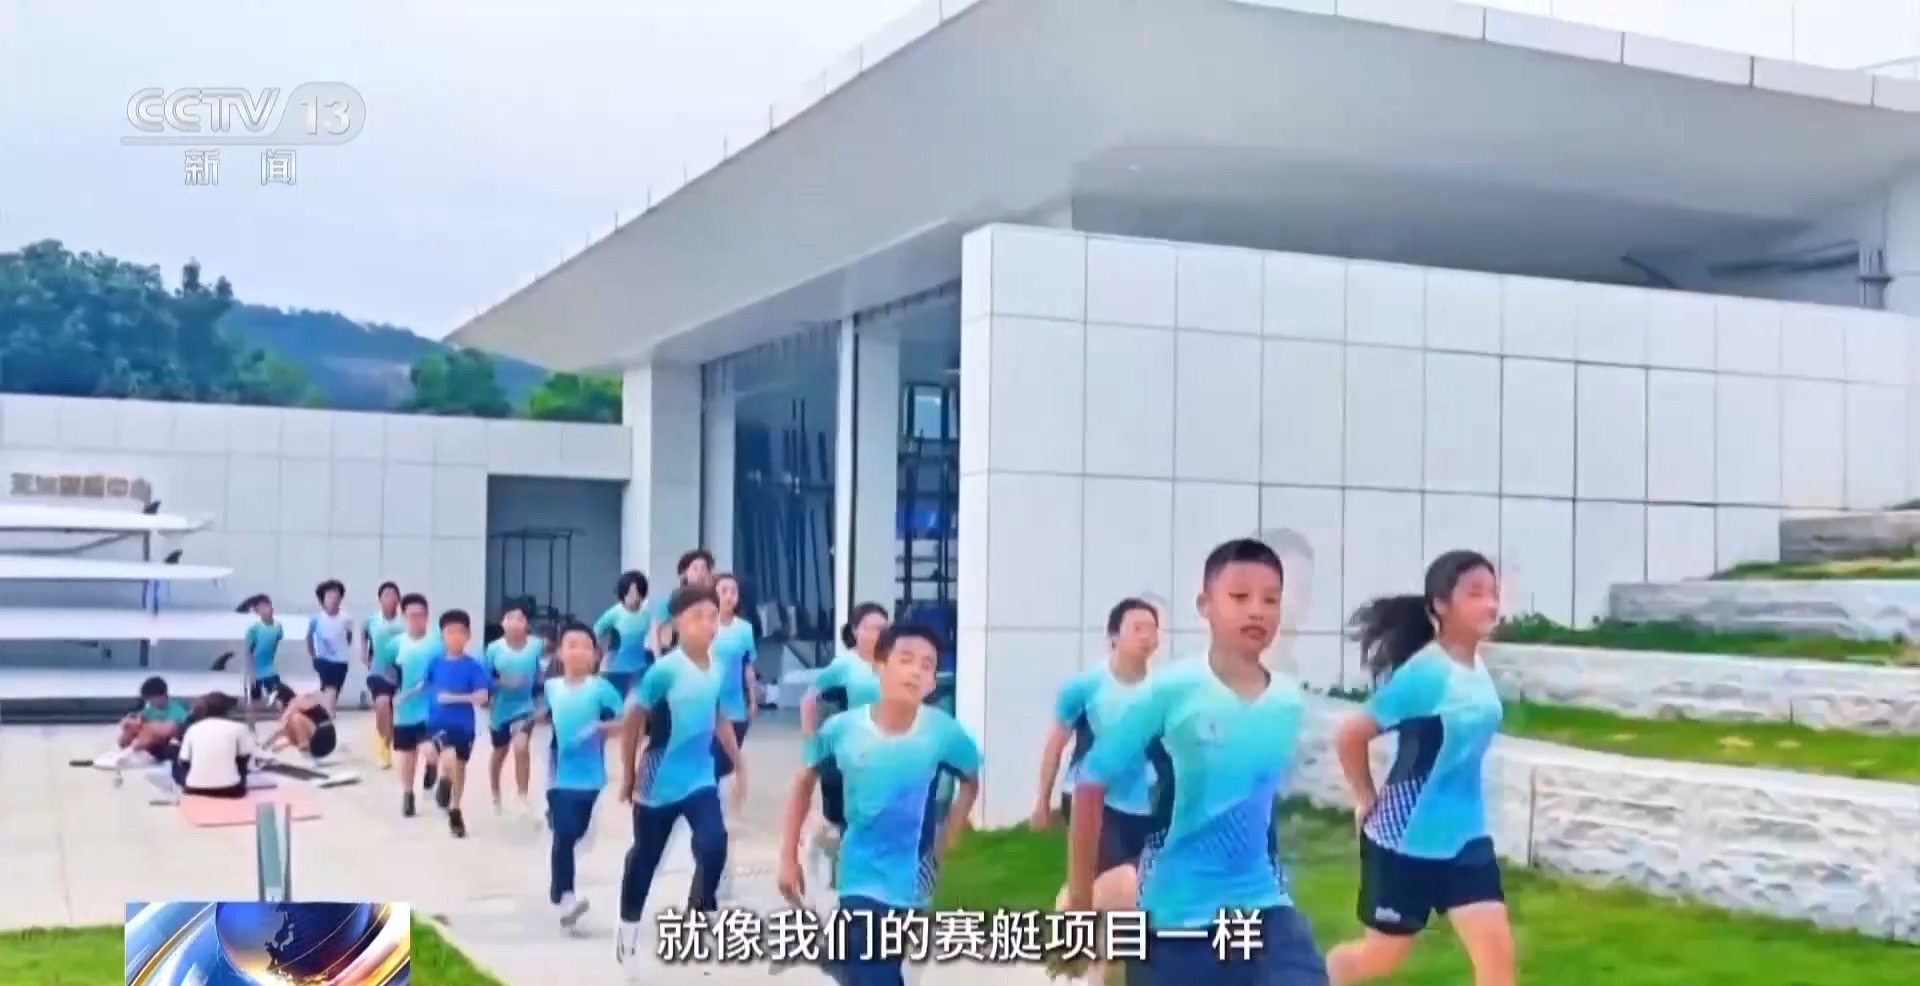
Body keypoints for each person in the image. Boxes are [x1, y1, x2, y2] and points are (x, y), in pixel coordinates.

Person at [1069, 538, 1326, 986]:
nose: (1257, 611)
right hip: (1174, 918)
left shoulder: (1287, 700)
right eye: (1240, 596)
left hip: (1265, 909)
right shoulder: (1170, 691)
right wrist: (1079, 905)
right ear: (1205, 605)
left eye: (1270, 599)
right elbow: (1091, 782)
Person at [1326, 550, 1513, 986]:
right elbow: (1351, 734)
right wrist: (1364, 797)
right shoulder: (1426, 674)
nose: (1490, 604)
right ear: (1440, 606)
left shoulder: (1474, 665)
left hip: (1466, 839)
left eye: (1493, 593)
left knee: (1498, 963)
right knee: (1378, 958)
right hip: (1404, 842)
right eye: (1475, 594)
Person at [776, 624, 982, 986]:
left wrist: (950, 832)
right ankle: (842, 960)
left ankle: (836, 960)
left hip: (916, 872)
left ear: (932, 682)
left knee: (883, 965)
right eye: (906, 660)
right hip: (860, 874)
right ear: (879, 666)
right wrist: (787, 857)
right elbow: (803, 781)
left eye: (927, 665)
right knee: (877, 972)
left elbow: (970, 779)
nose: (916, 671)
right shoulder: (841, 729)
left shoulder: (944, 732)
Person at [614, 584, 747, 978]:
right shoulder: (664, 671)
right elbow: (633, 722)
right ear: (676, 625)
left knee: (714, 844)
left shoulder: (718, 667)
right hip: (659, 780)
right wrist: (628, 774)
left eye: (712, 616)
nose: (707, 624)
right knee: (646, 858)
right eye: (696, 617)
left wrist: (739, 763)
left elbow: (719, 717)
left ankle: (698, 914)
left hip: (700, 776)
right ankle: (627, 934)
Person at [1032, 597, 1159, 983]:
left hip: (1143, 807)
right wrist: (1042, 800)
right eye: (1138, 628)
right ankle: (1071, 925)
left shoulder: (1161, 691)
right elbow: (1055, 745)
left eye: (1153, 629)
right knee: (1121, 887)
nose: (1147, 636)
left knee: (1128, 897)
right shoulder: (1086, 687)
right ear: (1113, 637)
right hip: (1091, 802)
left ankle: (1085, 947)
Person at [542, 620, 626, 932]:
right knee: (565, 834)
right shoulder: (551, 688)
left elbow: (627, 722)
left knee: (576, 833)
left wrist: (601, 727)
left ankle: (559, 888)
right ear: (560, 653)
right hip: (559, 776)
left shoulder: (601, 688)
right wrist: (522, 728)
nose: (578, 651)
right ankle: (566, 897)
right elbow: (544, 716)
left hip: (591, 779)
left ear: (595, 655)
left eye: (586, 646)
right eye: (572, 645)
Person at [797, 601, 889, 885]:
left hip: (882, 752)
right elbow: (808, 701)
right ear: (855, 631)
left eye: (883, 628)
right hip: (845, 753)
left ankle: (856, 876)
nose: (878, 633)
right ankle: (819, 841)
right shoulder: (844, 665)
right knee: (838, 816)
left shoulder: (893, 663)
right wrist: (811, 745)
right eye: (871, 628)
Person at [424, 609, 492, 839]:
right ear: (442, 635)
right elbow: (426, 686)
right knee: (449, 758)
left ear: (468, 635)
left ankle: (455, 808)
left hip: (464, 726)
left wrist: (456, 697)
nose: (455, 637)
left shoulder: (473, 666)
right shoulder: (435, 663)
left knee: (459, 768)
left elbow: (482, 696)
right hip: (438, 722)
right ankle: (442, 777)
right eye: (450, 632)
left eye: (460, 632)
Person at [485, 598, 546, 819]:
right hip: (500, 709)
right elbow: (485, 679)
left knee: (521, 745)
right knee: (500, 752)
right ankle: (495, 793)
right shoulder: (493, 649)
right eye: (509, 618)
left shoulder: (536, 646)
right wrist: (501, 683)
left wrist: (542, 702)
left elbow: (543, 674)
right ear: (502, 623)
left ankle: (522, 795)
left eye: (519, 619)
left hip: (525, 707)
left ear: (527, 624)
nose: (514, 623)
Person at [391, 593, 445, 819]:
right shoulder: (396, 644)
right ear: (404, 617)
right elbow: (385, 672)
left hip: (430, 708)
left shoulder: (437, 643)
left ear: (427, 616)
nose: (416, 619)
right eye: (411, 615)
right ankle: (408, 795)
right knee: (407, 755)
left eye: (420, 615)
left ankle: (432, 766)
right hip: (404, 709)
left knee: (429, 750)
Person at [173, 692, 257, 799]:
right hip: (230, 789)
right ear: (228, 710)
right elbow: (245, 758)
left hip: (194, 788)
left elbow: (184, 761)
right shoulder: (240, 727)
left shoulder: (193, 728)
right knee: (240, 759)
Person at [364, 581, 405, 769]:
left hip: (399, 670)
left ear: (398, 599)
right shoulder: (372, 620)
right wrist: (365, 655)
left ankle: (387, 740)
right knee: (382, 703)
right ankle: (383, 748)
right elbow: (364, 635)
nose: (390, 598)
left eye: (393, 594)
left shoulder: (404, 622)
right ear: (380, 599)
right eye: (386, 595)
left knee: (391, 710)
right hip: (378, 670)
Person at [593, 570, 654, 698]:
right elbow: (596, 631)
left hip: (639, 666)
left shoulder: (646, 614)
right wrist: (601, 654)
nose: (635, 597)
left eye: (638, 593)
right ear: (623, 593)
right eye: (630, 593)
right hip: (616, 669)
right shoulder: (615, 613)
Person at [646, 549, 714, 656]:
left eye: (704, 569)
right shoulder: (671, 599)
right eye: (695, 568)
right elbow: (655, 632)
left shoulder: (713, 601)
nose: (700, 573)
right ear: (684, 573)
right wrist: (658, 660)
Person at [113, 675, 191, 767]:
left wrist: (148, 727)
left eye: (151, 699)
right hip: (153, 747)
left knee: (150, 728)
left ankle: (130, 752)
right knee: (133, 727)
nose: (149, 702)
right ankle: (127, 753)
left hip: (173, 744)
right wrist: (129, 726)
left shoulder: (177, 708)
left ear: (161, 696)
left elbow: (176, 728)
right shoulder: (149, 711)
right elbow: (139, 721)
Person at [306, 579, 355, 715]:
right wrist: (313, 655)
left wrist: (343, 650)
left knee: (332, 691)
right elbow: (309, 638)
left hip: (341, 662)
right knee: (330, 688)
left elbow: (349, 637)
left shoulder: (346, 619)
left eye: (336, 596)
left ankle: (321, 710)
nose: (333, 600)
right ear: (323, 599)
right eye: (329, 596)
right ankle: (328, 716)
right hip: (323, 660)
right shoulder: (316, 619)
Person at [242, 594, 292, 708]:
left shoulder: (278, 627)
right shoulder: (254, 629)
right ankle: (253, 718)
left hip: (269, 669)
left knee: (278, 695)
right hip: (255, 671)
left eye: (266, 606)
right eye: (260, 608)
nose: (264, 610)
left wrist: (271, 661)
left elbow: (275, 644)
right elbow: (248, 651)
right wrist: (249, 673)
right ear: (257, 611)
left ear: (271, 607)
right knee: (255, 700)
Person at [261, 689, 339, 761]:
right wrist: (278, 745)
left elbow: (281, 727)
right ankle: (308, 754)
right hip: (326, 743)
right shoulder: (302, 702)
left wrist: (265, 746)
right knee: (291, 726)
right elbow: (288, 732)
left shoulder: (295, 702)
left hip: (322, 739)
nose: (276, 707)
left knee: (295, 718)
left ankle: (306, 754)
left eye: (276, 703)